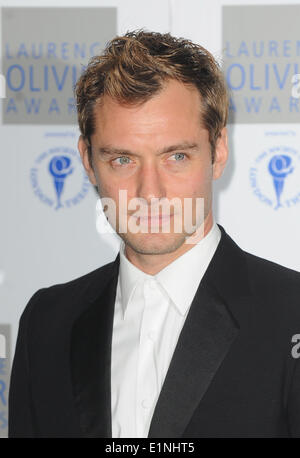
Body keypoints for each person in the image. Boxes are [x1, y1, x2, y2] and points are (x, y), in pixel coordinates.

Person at [8, 30, 300, 438]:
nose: (150, 192)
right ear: (88, 162)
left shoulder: (291, 311)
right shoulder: (47, 323)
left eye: (176, 156)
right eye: (123, 159)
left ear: (218, 152)